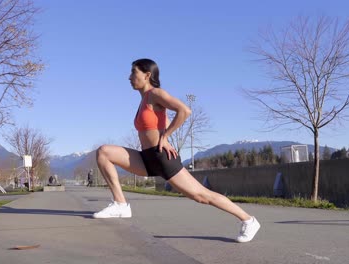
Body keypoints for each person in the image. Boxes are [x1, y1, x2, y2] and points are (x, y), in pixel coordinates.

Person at [93, 58, 260, 243]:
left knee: (202, 196)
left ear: (147, 75)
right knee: (104, 152)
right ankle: (121, 204)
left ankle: (248, 220)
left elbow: (184, 110)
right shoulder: (143, 101)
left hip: (162, 157)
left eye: (134, 72)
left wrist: (165, 137)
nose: (129, 77)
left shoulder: (155, 93)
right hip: (146, 158)